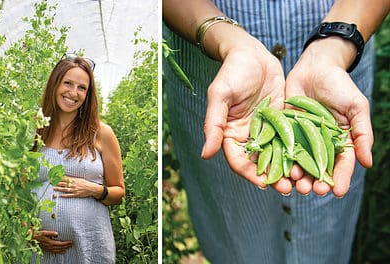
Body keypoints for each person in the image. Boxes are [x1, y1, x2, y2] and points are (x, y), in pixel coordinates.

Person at [163, 0, 389, 263]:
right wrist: (226, 39)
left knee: (326, 227)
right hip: (220, 78)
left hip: (342, 58)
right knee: (235, 228)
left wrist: (336, 45)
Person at [30, 54, 125, 263]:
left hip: (89, 246)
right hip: (38, 251)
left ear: (88, 94)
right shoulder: (33, 131)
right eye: (68, 83)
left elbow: (118, 192)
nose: (73, 93)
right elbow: (15, 194)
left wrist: (92, 189)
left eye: (82, 88)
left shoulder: (102, 134)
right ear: (55, 85)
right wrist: (29, 232)